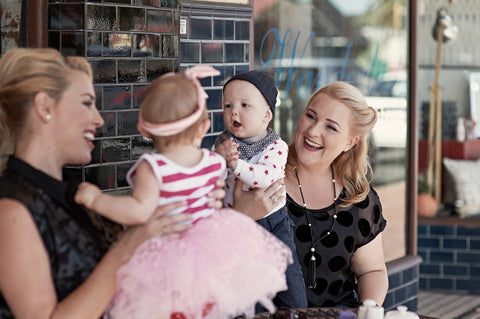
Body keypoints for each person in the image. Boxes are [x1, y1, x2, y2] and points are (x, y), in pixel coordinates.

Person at [0, 48, 226, 319]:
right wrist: (128, 246)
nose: (99, 119)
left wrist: (193, 207)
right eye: (86, 103)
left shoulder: (73, 191)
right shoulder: (10, 210)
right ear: (45, 106)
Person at [74, 66, 293, 319]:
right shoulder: (212, 163)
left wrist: (96, 199)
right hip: (211, 252)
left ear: (145, 131)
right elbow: (214, 201)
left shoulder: (154, 167)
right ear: (205, 126)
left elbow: (138, 211)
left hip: (169, 256)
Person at [233, 81, 388, 308]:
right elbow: (217, 263)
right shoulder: (260, 176)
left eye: (331, 127)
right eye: (311, 116)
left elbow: (371, 270)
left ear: (350, 142)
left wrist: (368, 310)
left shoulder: (358, 197)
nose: (313, 131)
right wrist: (241, 216)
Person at [213, 70, 308, 312]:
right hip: (239, 226)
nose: (234, 111)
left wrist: (235, 165)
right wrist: (218, 160)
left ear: (267, 115)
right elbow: (213, 179)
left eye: (245, 105)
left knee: (289, 282)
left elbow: (264, 177)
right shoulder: (222, 144)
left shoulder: (275, 147)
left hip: (273, 223)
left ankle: (295, 311)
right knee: (250, 291)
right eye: (228, 105)